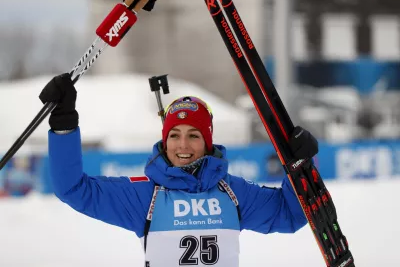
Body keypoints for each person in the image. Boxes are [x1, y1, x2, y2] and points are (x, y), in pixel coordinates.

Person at [39, 73, 319, 267]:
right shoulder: (144, 196)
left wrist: (301, 163)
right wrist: (64, 125)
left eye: (194, 135)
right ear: (165, 140)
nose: (182, 145)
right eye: (174, 135)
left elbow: (290, 214)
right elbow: (73, 189)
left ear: (208, 142)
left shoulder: (233, 193)